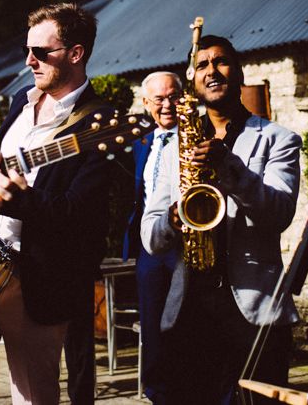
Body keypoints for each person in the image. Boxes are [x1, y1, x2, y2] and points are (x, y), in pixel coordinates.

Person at [0, 3, 118, 405]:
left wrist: (19, 202)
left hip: (37, 281)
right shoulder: (20, 103)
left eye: (41, 51)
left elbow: (80, 215)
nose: (29, 60)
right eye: (27, 50)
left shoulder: (101, 123)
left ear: (76, 53)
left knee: (33, 398)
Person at [141, 35, 302, 405]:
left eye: (221, 62)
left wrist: (228, 168)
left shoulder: (278, 140)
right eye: (202, 65)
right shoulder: (174, 147)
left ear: (240, 71)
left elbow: (278, 214)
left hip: (254, 312)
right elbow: (150, 236)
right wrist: (172, 219)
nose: (211, 70)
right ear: (193, 81)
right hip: (189, 313)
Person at [122, 71, 181, 404]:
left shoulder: (192, 135)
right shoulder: (140, 140)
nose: (167, 104)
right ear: (146, 103)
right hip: (148, 247)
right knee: (151, 324)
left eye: (173, 96)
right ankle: (157, 392)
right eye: (159, 99)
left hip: (183, 247)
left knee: (180, 324)